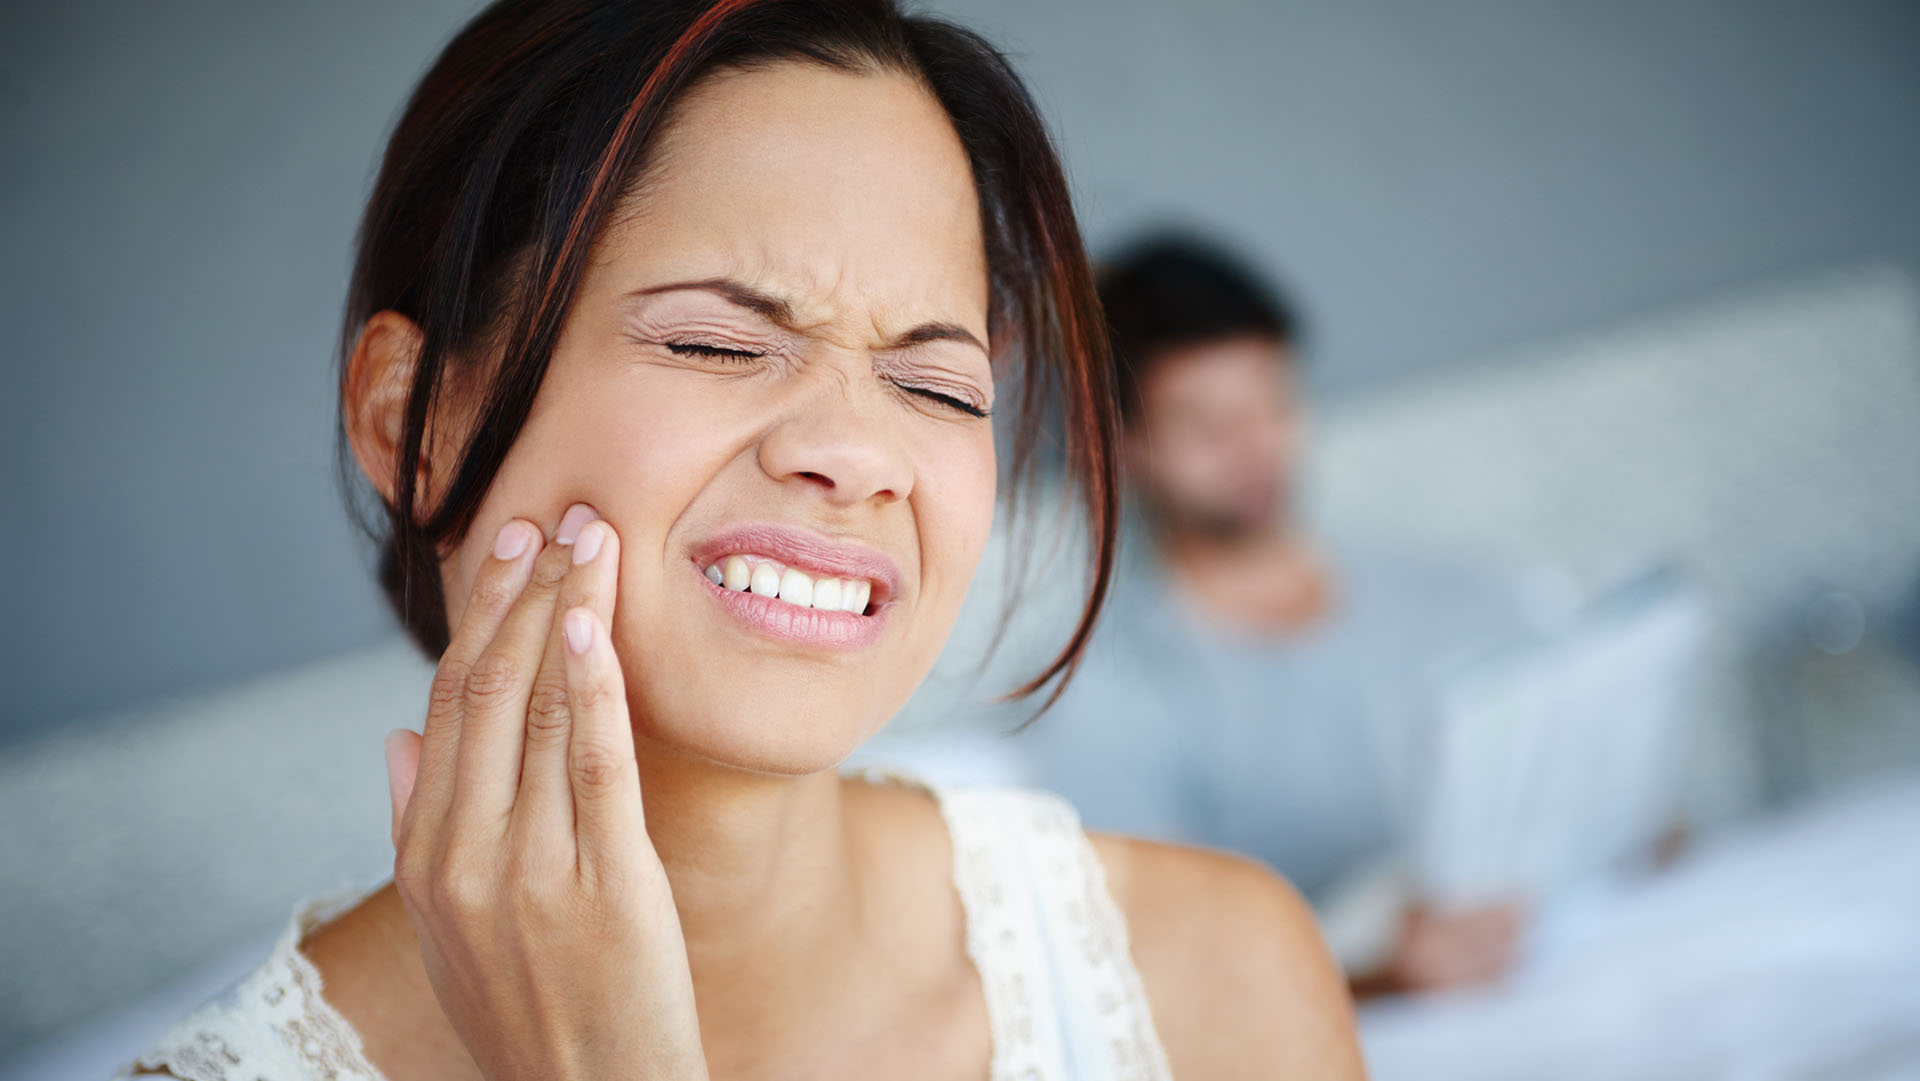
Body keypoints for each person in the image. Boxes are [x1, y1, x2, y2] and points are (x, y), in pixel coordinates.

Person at [116, 3, 1365, 1079]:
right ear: (415, 420)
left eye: (938, 386)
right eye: (716, 343)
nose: (860, 454)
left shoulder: (1214, 981)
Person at [1018, 235, 1537, 997]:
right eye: (1205, 424)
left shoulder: (1454, 596)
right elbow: (1150, 965)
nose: (1255, 447)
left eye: (1271, 401)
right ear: (1125, 445)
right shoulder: (1114, 694)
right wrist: (1379, 980)